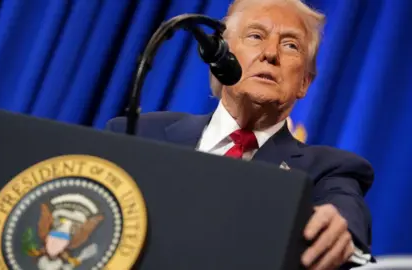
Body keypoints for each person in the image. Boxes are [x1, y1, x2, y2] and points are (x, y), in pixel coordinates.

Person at [106, 0, 374, 269]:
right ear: (220, 58)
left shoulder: (328, 170)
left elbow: (344, 211)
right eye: (256, 36)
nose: (271, 53)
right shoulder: (139, 133)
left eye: (290, 45)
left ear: (304, 82)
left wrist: (339, 231)